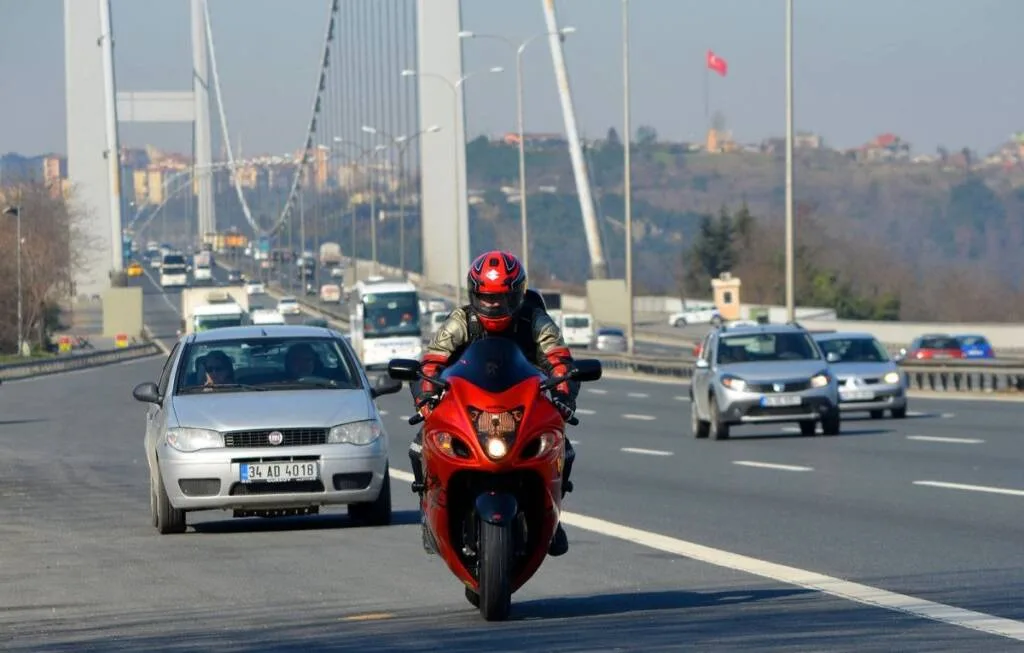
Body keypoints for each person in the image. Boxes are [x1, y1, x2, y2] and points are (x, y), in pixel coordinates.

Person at [408, 250, 578, 557]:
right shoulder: (460, 320)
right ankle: (426, 511)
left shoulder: (535, 319)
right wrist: (424, 397)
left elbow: (559, 358)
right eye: (486, 298)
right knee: (419, 444)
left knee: (563, 447)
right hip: (470, 403)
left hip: (523, 402)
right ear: (475, 295)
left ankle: (552, 515)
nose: (494, 305)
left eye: (502, 298)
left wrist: (564, 395)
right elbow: (432, 360)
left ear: (518, 295)